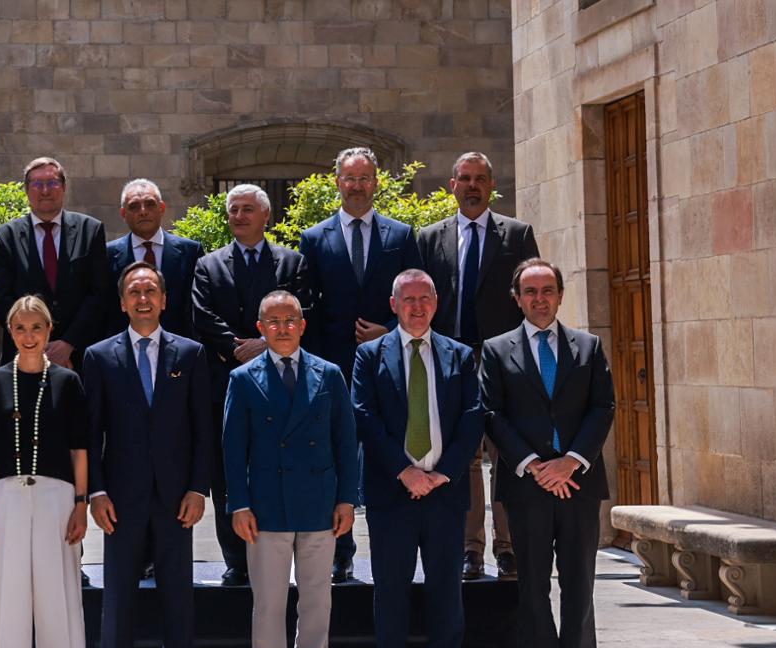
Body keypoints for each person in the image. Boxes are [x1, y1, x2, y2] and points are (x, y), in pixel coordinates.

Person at [480, 259, 615, 648]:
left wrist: (572, 462)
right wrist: (536, 465)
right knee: (532, 584)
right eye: (531, 291)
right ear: (516, 298)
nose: (540, 299)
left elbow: (603, 407)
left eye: (548, 290)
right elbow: (493, 413)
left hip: (578, 484)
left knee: (580, 582)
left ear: (560, 295)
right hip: (526, 485)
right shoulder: (497, 350)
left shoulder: (588, 347)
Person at [82, 263, 214, 648]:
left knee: (177, 594)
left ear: (164, 299)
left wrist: (199, 488)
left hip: (178, 499)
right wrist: (95, 492)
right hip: (120, 499)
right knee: (118, 594)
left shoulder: (191, 354)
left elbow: (204, 430)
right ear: (122, 302)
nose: (142, 299)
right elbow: (91, 431)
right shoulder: (98, 356)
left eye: (151, 291)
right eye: (134, 291)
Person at [351, 270, 485, 648]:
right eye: (407, 299)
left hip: (445, 495)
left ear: (436, 302)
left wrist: (442, 473)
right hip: (393, 495)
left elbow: (472, 418)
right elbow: (365, 418)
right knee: (390, 589)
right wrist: (404, 473)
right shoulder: (370, 356)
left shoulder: (460, 356)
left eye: (424, 298)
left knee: (446, 590)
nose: (417, 306)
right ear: (393, 305)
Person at [224, 290, 358, 648]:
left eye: (290, 320)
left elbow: (345, 442)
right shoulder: (243, 379)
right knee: (269, 602)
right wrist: (239, 504)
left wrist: (347, 500)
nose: (282, 329)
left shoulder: (330, 374)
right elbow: (232, 448)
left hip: (319, 503)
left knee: (317, 601)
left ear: (302, 325)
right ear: (260, 329)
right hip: (266, 507)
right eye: (273, 322)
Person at [299, 147, 426, 583]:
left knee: (388, 449)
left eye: (365, 178)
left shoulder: (401, 235)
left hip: (389, 363)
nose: (356, 186)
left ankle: (393, 547)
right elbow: (308, 309)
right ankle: (341, 552)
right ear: (337, 182)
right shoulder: (314, 239)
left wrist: (388, 332)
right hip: (331, 365)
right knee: (337, 453)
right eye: (349, 178)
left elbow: (417, 295)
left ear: (377, 182)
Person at [416, 152, 542, 580]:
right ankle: (470, 549)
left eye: (481, 179)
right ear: (452, 184)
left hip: (503, 363)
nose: (472, 185)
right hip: (450, 363)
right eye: (465, 178)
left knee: (505, 454)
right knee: (463, 458)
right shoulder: (429, 238)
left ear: (491, 186)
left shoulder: (518, 234)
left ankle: (507, 548)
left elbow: (529, 297)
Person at [191, 184, 314, 587]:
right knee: (228, 470)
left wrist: (264, 345)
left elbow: (302, 309)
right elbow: (202, 314)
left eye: (248, 210)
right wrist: (234, 348)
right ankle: (235, 561)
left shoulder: (291, 262)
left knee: (272, 463)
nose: (239, 216)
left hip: (278, 383)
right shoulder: (208, 265)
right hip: (224, 381)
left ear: (266, 216)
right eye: (234, 210)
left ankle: (277, 553)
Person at [0, 295, 89, 648]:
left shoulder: (67, 381)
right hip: (4, 496)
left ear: (49, 331)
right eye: (20, 329)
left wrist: (81, 504)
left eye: (36, 328)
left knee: (54, 591)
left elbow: (81, 450)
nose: (28, 336)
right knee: (10, 593)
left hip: (57, 497)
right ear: (10, 332)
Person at [0, 156, 113, 367]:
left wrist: (68, 344)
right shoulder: (4, 238)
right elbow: (3, 301)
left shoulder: (90, 230)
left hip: (80, 356)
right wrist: (38, 345)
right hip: (25, 356)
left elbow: (99, 294)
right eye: (37, 184)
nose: (45, 190)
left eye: (52, 183)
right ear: (27, 191)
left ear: (64, 187)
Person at [105, 179, 205, 341]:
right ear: (123, 214)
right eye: (134, 206)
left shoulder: (190, 251)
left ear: (162, 208)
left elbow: (198, 307)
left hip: (181, 349)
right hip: (124, 351)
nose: (143, 211)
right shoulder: (107, 254)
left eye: (150, 204)